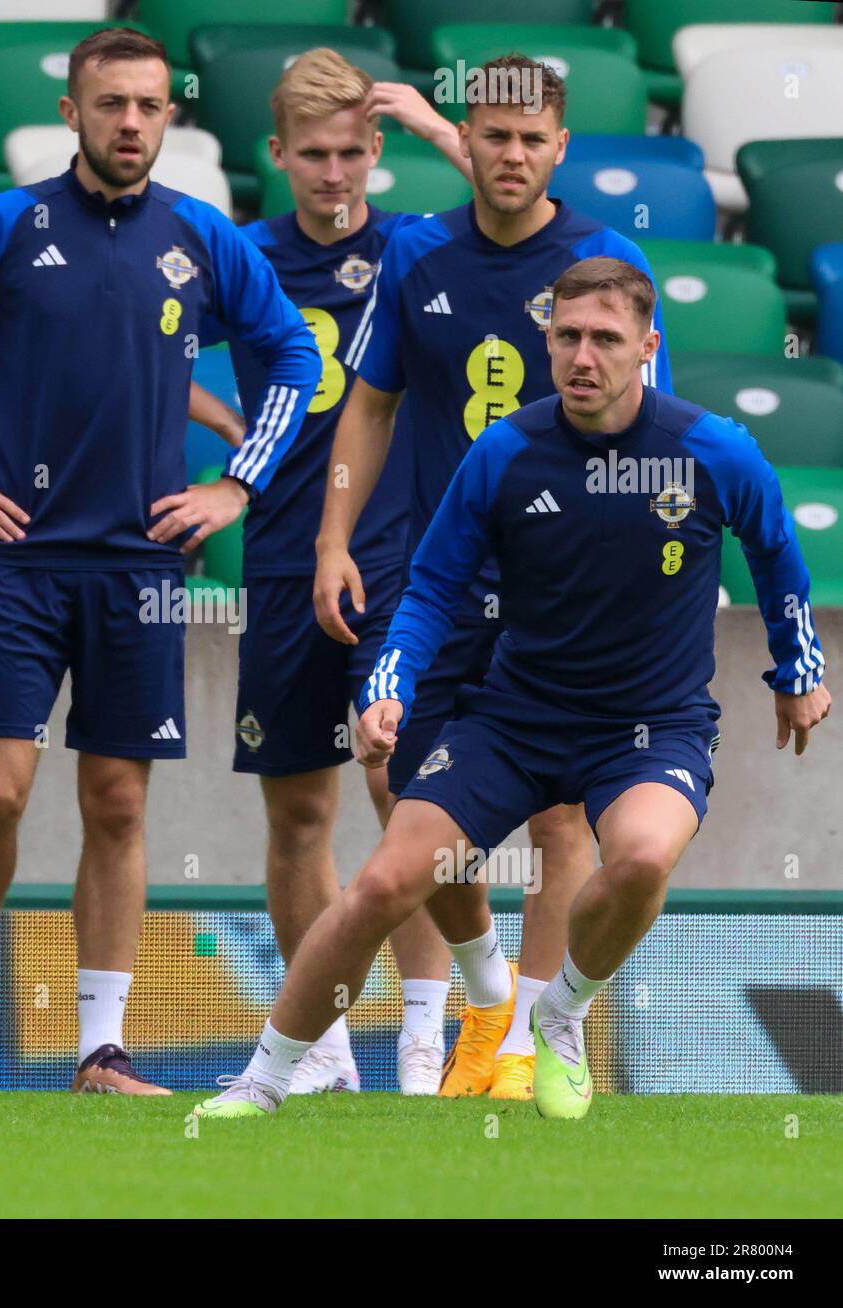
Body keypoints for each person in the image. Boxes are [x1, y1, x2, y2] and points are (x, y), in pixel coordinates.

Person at [194, 256, 829, 1121]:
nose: (582, 356)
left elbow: (779, 558)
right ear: (547, 339)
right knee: (384, 883)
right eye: (567, 335)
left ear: (647, 346)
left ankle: (556, 1013)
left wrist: (797, 673)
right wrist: (391, 684)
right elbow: (429, 588)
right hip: (516, 722)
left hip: (652, 728)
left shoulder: (713, 449)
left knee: (641, 857)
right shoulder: (506, 451)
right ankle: (260, 1081)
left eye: (606, 339)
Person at [0, 28, 320, 1094]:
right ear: (71, 112)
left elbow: (293, 354)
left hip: (145, 573)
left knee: (116, 805)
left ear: (169, 116)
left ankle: (100, 1049)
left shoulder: (202, 236)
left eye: (150, 106)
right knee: (2, 794)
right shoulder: (8, 226)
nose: (130, 123)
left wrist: (235, 484)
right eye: (109, 104)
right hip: (18, 565)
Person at [313, 54, 673, 1100]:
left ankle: (520, 1050)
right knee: (394, 780)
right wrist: (335, 538)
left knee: (562, 817)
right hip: (438, 576)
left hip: (563, 588)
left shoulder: (606, 261)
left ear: (559, 148)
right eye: (492, 135)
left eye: (531, 139)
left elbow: (663, 432)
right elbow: (368, 404)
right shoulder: (416, 253)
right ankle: (484, 987)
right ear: (462, 140)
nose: (510, 154)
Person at [189, 48, 475, 1094]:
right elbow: (139, 335)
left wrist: (446, 129)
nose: (334, 173)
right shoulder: (243, 256)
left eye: (353, 151)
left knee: (405, 788)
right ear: (277, 153)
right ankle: (323, 1048)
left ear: (376, 152)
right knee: (299, 816)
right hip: (278, 561)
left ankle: (425, 1038)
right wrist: (227, 434)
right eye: (313, 153)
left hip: (402, 557)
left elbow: (550, 233)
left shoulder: (415, 248)